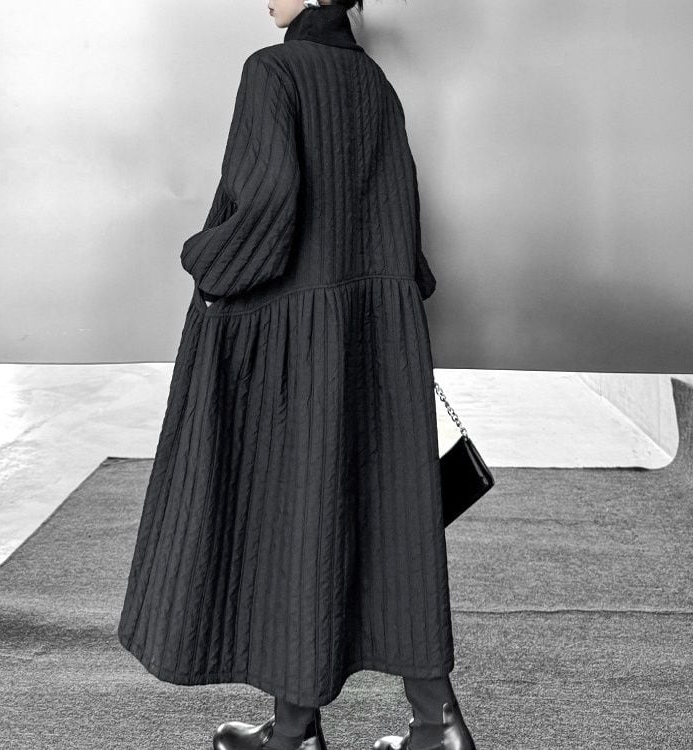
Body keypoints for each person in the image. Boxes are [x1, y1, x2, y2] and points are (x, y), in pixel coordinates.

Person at [117, 1, 476, 749]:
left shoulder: (273, 69)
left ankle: (301, 734)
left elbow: (269, 202)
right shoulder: (374, 80)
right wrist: (389, 304)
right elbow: (401, 212)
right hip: (375, 333)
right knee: (385, 523)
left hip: (296, 335)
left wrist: (208, 268)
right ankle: (421, 725)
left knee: (294, 517)